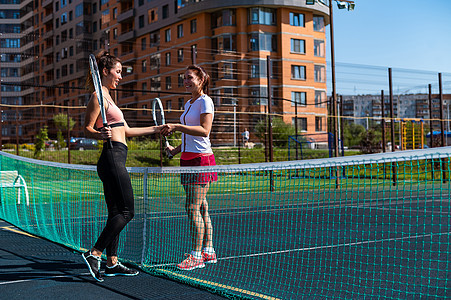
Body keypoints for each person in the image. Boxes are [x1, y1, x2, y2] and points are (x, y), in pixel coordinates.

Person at [82, 50, 163, 282]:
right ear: (105, 72)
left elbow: (126, 130)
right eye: (117, 72)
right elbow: (86, 128)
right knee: (128, 212)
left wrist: (158, 129)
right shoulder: (98, 97)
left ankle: (111, 262)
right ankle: (94, 253)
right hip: (111, 158)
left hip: (117, 156)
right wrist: (99, 133)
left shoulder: (109, 98)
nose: (120, 76)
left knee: (116, 213)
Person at [161, 65, 217, 271]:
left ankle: (196, 255)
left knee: (192, 207)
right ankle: (208, 251)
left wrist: (176, 126)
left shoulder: (205, 101)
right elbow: (188, 138)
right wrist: (174, 151)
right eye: (183, 78)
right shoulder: (188, 103)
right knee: (201, 206)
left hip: (201, 161)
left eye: (190, 78)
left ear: (201, 79)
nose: (185, 81)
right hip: (187, 159)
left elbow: (204, 131)